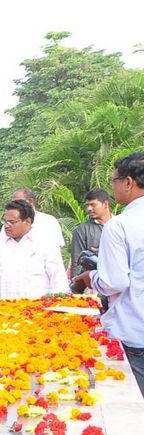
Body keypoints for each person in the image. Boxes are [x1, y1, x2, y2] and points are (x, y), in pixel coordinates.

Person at [83, 152, 144, 393]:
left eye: (114, 181)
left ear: (128, 182)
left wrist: (92, 277)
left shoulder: (119, 225)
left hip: (135, 333)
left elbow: (114, 282)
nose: (113, 186)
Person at [0, 199, 69, 300]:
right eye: (4, 221)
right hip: (3, 311)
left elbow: (58, 282)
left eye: (12, 222)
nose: (6, 225)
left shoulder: (45, 245)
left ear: (27, 221)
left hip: (37, 312)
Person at [70, 188, 114, 287]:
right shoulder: (82, 230)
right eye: (88, 205)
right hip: (93, 285)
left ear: (105, 204)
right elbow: (76, 263)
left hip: (120, 283)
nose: (89, 209)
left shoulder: (121, 225)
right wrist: (76, 288)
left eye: (93, 204)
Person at [5, 187, 65, 256]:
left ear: (30, 201)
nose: (14, 206)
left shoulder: (49, 221)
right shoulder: (8, 225)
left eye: (18, 202)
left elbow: (57, 249)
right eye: (13, 203)